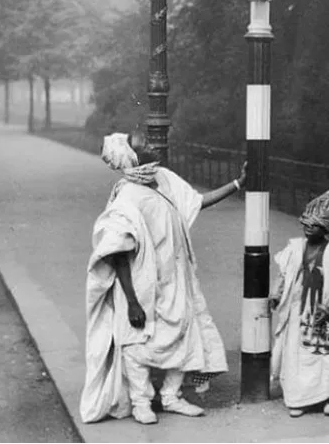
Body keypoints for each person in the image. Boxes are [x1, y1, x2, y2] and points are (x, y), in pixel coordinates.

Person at [80, 131, 246, 425]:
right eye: (143, 142)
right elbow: (117, 253)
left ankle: (171, 396)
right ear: (131, 156)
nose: (151, 142)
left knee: (183, 330)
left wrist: (237, 184)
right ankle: (140, 401)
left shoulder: (164, 178)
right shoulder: (127, 196)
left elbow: (196, 202)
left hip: (175, 274)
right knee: (137, 341)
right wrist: (131, 301)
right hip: (140, 280)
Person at [270, 193, 329, 418]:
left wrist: (328, 307)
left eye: (315, 225)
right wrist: (276, 294)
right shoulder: (295, 248)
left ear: (326, 228)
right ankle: (298, 399)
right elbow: (283, 275)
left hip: (324, 313)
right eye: (306, 224)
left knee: (328, 356)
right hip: (298, 310)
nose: (309, 229)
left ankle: (328, 397)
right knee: (296, 355)